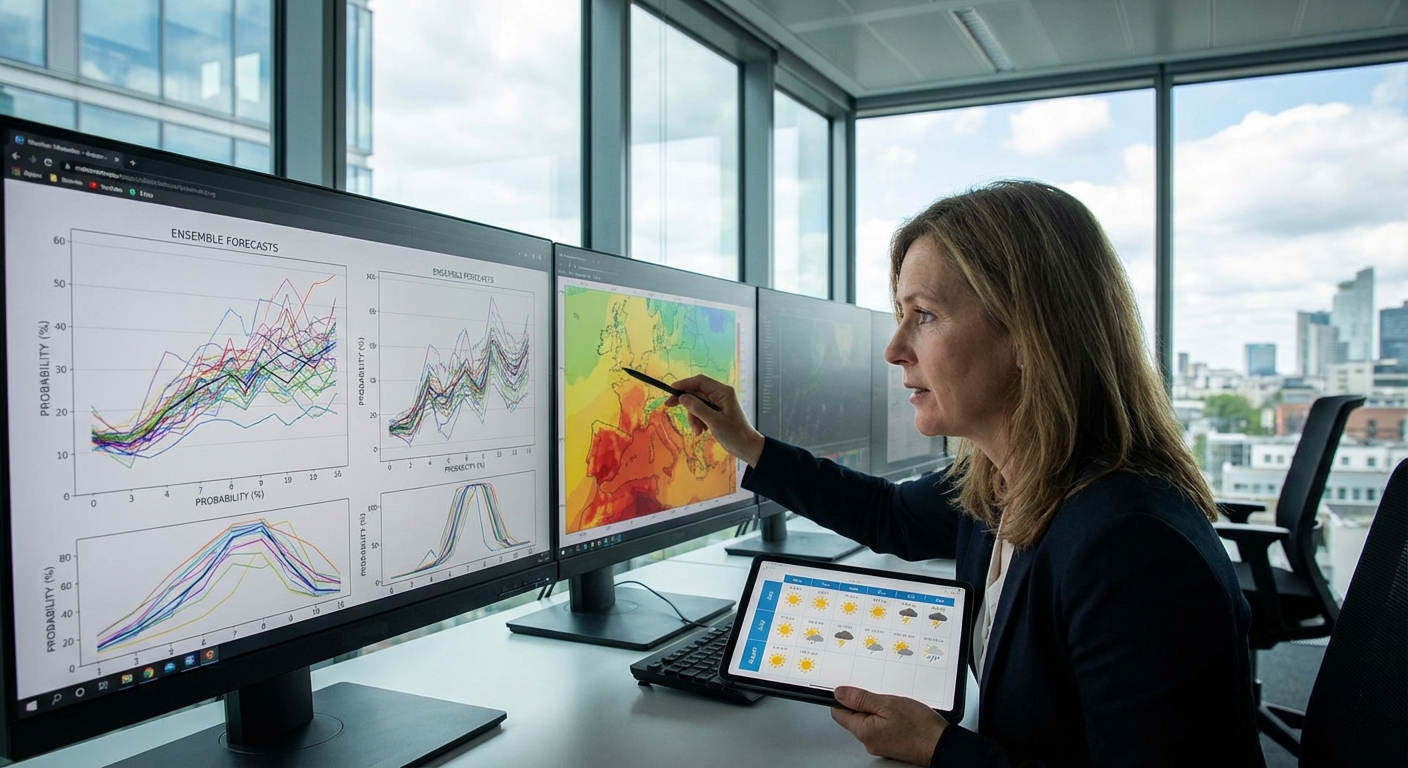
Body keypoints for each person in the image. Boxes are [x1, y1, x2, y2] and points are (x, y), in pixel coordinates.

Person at [666, 181, 1264, 767]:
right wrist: (745, 444)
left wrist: (938, 747)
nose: (895, 348)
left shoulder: (1129, 546)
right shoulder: (1007, 482)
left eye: (924, 315)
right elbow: (890, 517)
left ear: (1032, 336)